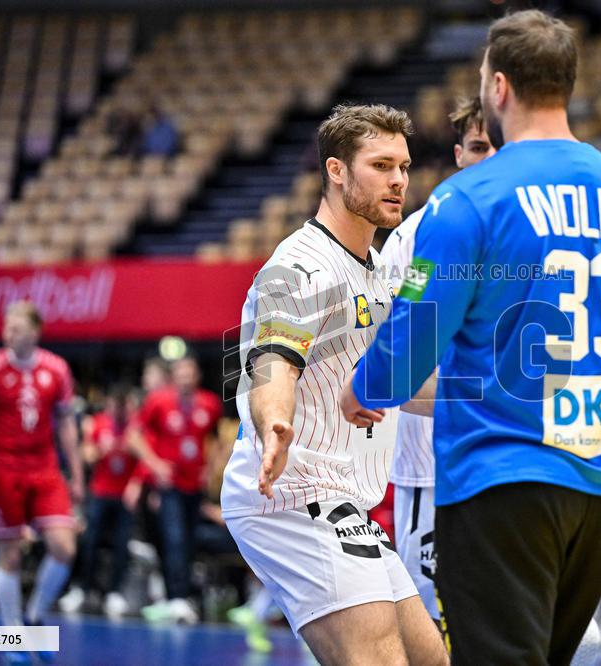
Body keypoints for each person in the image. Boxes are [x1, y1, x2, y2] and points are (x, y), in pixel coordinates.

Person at [340, 10, 601, 663]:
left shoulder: (466, 201)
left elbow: (402, 358)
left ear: (498, 87)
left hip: (500, 485)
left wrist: (362, 387)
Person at [221, 104, 446, 664]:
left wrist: (497, 401)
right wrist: (275, 422)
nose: (398, 180)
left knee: (430, 660)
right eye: (381, 165)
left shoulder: (377, 266)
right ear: (337, 171)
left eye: (404, 166)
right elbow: (273, 358)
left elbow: (400, 383)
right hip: (293, 493)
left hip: (345, 496)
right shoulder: (301, 266)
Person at [380, 95, 495, 624]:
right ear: (459, 154)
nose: (490, 156)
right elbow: (393, 371)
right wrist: (485, 399)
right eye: (478, 146)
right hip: (435, 467)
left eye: (500, 144)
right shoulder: (415, 236)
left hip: (518, 466)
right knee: (433, 626)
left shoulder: (540, 238)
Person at [0, 301, 82, 665]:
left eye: (15, 327)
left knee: (64, 547)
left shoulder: (56, 369)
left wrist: (76, 473)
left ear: (34, 331)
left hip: (44, 466)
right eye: (5, 327)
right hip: (3, 467)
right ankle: (12, 633)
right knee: (10, 552)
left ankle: (33, 617)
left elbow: (66, 425)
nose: (7, 333)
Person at [128, 355, 221, 624]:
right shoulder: (159, 401)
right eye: (180, 373)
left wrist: (209, 468)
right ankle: (177, 597)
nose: (185, 378)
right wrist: (155, 465)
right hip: (169, 486)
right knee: (174, 538)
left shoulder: (209, 403)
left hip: (195, 486)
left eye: (189, 373)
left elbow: (214, 439)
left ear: (197, 377)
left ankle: (181, 597)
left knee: (190, 541)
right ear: (173, 377)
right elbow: (134, 436)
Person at [59, 385, 138, 619]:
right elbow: (85, 454)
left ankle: (115, 592)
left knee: (121, 544)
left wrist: (135, 483)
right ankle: (83, 588)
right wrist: (97, 451)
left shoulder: (134, 427)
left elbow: (143, 457)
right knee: (90, 540)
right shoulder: (98, 423)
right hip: (100, 492)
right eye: (115, 405)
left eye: (123, 406)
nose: (119, 410)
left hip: (124, 495)